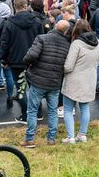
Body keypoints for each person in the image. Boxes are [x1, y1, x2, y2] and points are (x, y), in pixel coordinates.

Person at [22, 18, 71, 147]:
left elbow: (31, 55)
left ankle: (30, 139)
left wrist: (28, 65)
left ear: (54, 27)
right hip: (55, 82)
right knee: (53, 111)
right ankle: (51, 139)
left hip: (38, 80)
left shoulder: (42, 38)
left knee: (32, 110)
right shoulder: (68, 45)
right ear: (66, 32)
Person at [61, 19, 99, 143]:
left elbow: (68, 66)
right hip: (90, 79)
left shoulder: (76, 43)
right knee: (85, 107)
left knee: (67, 109)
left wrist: (63, 72)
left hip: (74, 79)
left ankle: (71, 137)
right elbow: (98, 62)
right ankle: (82, 134)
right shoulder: (98, 43)